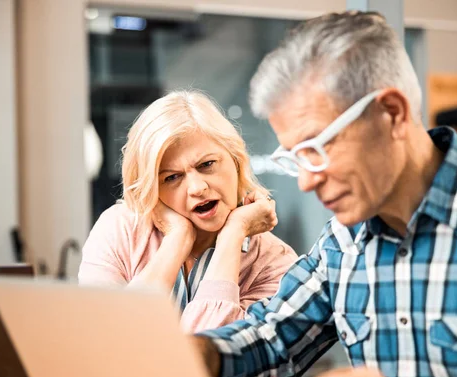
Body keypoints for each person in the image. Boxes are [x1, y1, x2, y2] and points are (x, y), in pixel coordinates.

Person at [192, 11, 457, 377]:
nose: (308, 181)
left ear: (392, 113)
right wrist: (191, 354)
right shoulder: (344, 240)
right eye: (295, 158)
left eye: (318, 148)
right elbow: (271, 338)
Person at [78, 90, 297, 333]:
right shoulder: (118, 230)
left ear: (236, 161)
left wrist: (233, 235)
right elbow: (105, 340)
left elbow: (217, 357)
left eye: (207, 165)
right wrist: (177, 239)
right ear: (153, 187)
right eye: (172, 177)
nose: (197, 188)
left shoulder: (275, 262)